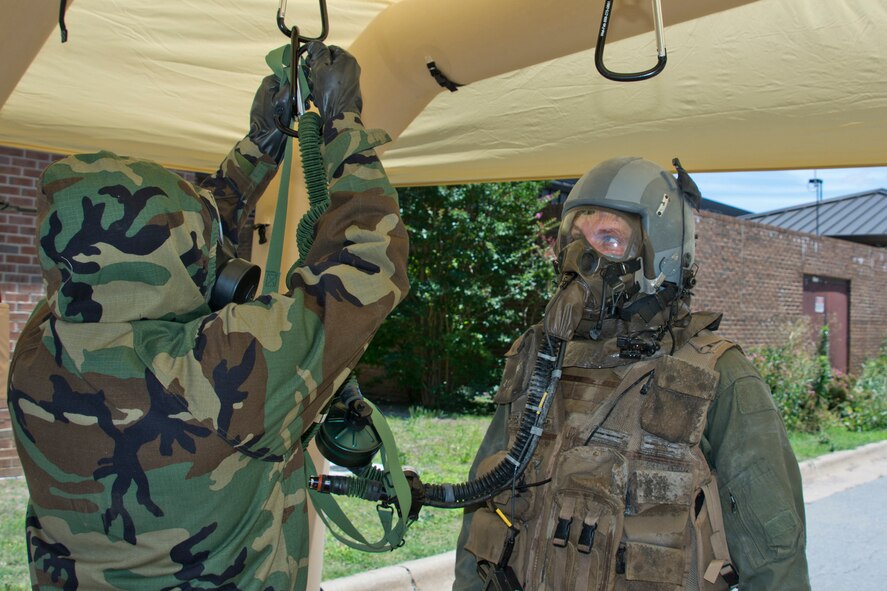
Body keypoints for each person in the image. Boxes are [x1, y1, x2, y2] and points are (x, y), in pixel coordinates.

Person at [7, 42, 408, 590]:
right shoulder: (214, 375)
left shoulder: (39, 349)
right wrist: (343, 124)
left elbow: (144, 247)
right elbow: (367, 258)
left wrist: (259, 146)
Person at [453, 157, 809, 590]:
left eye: (609, 238)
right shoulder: (541, 355)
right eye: (575, 238)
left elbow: (776, 561)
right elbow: (482, 507)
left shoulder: (718, 375)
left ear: (661, 254)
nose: (581, 258)